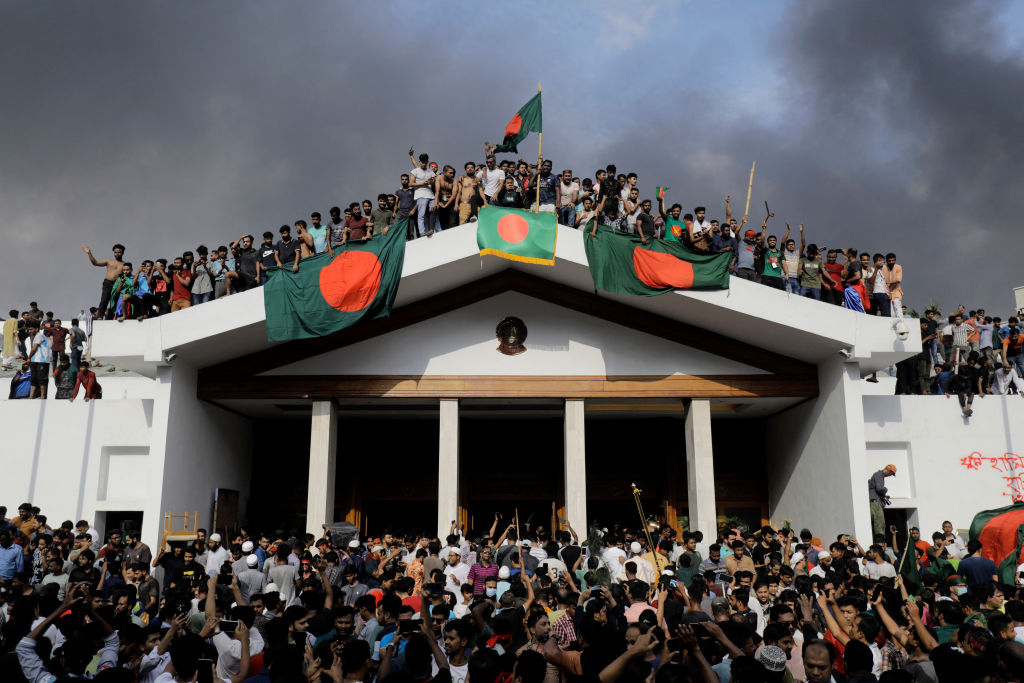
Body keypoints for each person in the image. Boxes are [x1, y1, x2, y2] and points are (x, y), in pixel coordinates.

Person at [82, 243, 126, 320]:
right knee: (104, 300)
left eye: (119, 252)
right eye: (115, 252)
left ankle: (110, 318)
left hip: (118, 284)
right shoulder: (109, 261)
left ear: (122, 253)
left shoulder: (124, 264)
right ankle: (99, 316)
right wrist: (89, 253)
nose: (117, 254)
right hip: (108, 283)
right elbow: (95, 263)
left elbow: (126, 275)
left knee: (115, 302)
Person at [409, 148, 439, 237]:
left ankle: (438, 230)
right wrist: (422, 183)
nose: (424, 164)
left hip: (431, 195)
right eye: (422, 162)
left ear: (427, 162)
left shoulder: (430, 171)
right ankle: (422, 233)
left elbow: (434, 182)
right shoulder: (415, 171)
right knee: (421, 215)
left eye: (425, 162)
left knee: (434, 213)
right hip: (421, 195)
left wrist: (431, 182)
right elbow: (411, 183)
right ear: (420, 161)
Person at [868, 465, 896, 538]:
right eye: (891, 473)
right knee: (880, 525)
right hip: (875, 503)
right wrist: (885, 490)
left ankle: (879, 541)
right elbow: (879, 488)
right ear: (888, 469)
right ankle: (880, 543)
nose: (890, 475)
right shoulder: (879, 474)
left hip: (874, 502)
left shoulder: (878, 475)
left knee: (878, 524)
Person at [26, 321, 51, 399]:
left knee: (42, 379)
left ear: (36, 329)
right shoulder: (36, 336)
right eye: (29, 330)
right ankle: (31, 396)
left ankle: (43, 396)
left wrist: (29, 357)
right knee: (33, 379)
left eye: (31, 329)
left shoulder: (39, 335)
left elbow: (34, 348)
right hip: (35, 360)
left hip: (42, 361)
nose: (29, 331)